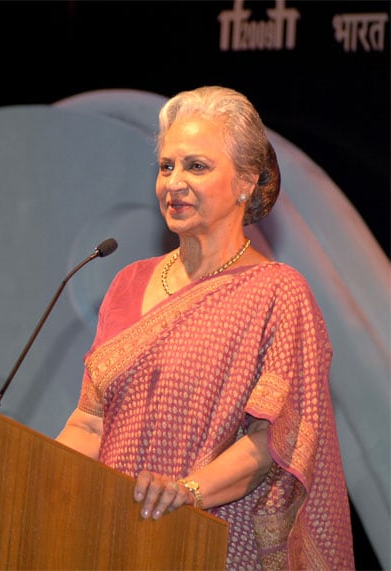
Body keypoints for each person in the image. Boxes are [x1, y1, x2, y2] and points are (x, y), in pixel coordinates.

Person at [56, 85, 355, 569]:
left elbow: (272, 440)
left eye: (196, 166)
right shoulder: (128, 282)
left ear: (246, 181)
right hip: (112, 539)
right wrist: (32, 472)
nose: (174, 181)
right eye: (166, 166)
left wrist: (186, 492)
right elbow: (89, 422)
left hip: (212, 543)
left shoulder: (278, 293)